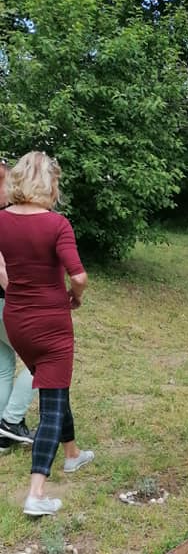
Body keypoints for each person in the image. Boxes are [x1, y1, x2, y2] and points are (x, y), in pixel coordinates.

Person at [0, 151, 93, 516]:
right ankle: (36, 492)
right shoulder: (57, 225)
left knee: (56, 384)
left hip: (17, 321)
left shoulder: (1, 220)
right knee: (51, 404)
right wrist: (76, 296)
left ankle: (72, 454)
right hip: (52, 323)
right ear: (49, 183)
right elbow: (80, 276)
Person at [0, 159, 37, 456]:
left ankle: (1, 437)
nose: (11, 189)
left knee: (2, 367)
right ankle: (11, 421)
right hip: (5, 304)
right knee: (45, 361)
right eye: (6, 183)